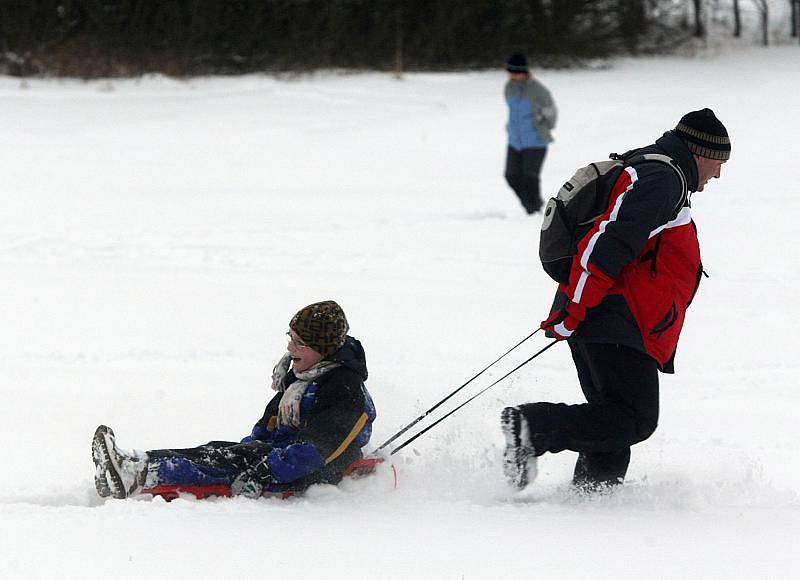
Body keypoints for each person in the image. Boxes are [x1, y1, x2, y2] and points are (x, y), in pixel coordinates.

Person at [501, 108, 730, 491]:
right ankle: (531, 427)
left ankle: (594, 504)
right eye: (719, 163)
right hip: (616, 318)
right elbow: (606, 245)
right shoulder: (662, 180)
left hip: (608, 314)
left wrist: (575, 307)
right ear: (700, 153)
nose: (718, 174)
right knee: (634, 418)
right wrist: (574, 308)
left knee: (611, 422)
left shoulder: (655, 171)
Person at [92, 300, 376, 499]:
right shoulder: (306, 375)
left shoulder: (343, 388)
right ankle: (135, 462)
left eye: (299, 343)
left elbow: (319, 447)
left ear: (323, 349)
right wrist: (255, 442)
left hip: (311, 470)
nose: (289, 348)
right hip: (281, 453)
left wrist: (266, 470)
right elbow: (273, 418)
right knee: (218, 451)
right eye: (290, 337)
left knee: (225, 466)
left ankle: (140, 476)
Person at [503, 53, 558, 214]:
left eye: (517, 72)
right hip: (514, 141)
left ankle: (534, 210)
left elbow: (551, 113)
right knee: (511, 176)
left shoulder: (538, 90)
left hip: (535, 141)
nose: (514, 75)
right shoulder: (509, 88)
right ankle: (531, 206)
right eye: (511, 72)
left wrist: (542, 125)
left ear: (525, 71)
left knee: (530, 178)